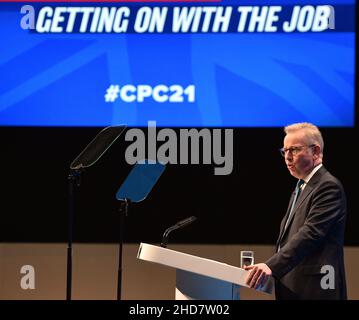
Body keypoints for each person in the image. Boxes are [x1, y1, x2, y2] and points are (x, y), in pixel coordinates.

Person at [245, 122, 347, 300]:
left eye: (294, 150)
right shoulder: (301, 187)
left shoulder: (328, 186)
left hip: (316, 289)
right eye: (285, 151)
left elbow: (310, 234)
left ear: (315, 151)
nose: (287, 157)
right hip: (295, 288)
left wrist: (272, 266)